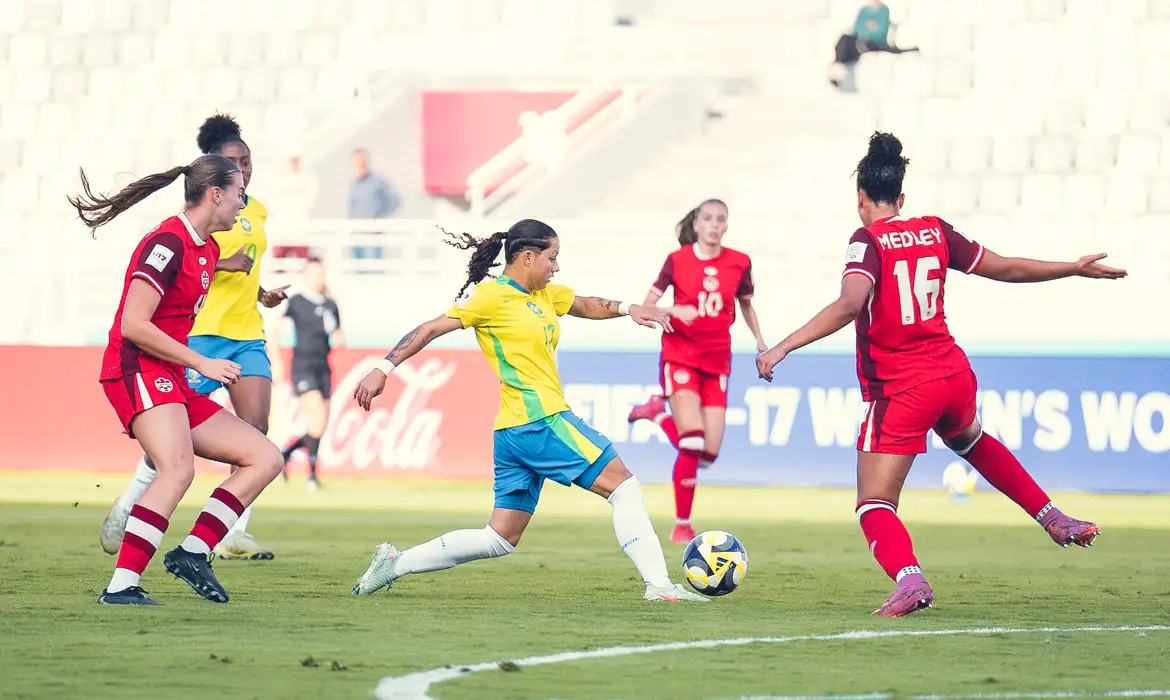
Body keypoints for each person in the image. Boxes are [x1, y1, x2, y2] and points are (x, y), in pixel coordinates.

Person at [755, 132, 1126, 617]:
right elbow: (1007, 268)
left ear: (861, 198)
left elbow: (851, 304)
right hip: (953, 374)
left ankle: (911, 581)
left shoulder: (866, 241)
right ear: (902, 198)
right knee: (971, 441)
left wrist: (781, 347)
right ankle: (1054, 518)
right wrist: (1071, 268)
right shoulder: (934, 230)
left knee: (874, 504)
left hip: (903, 387)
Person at [349, 219, 707, 602]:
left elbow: (584, 304)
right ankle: (660, 587)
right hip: (541, 420)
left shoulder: (544, 294)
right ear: (526, 256)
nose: (556, 267)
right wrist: (383, 368)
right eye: (552, 258)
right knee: (624, 487)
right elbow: (430, 329)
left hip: (514, 430)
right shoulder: (490, 298)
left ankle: (394, 563)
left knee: (499, 537)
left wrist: (628, 307)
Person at [69, 154, 285, 605]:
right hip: (136, 368)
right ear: (216, 193)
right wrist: (201, 362)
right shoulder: (166, 241)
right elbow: (133, 323)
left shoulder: (207, 248)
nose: (243, 205)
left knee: (264, 457)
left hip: (170, 375)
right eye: (239, 194)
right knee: (178, 468)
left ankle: (193, 552)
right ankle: (121, 586)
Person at [627, 200, 766, 544]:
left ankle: (657, 413)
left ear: (726, 226)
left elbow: (746, 304)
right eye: (708, 219)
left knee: (708, 452)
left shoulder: (739, 262)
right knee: (691, 440)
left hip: (717, 361)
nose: (715, 225)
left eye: (721, 220)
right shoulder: (677, 261)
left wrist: (761, 341)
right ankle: (682, 525)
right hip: (680, 356)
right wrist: (674, 309)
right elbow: (645, 308)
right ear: (697, 224)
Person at [271, 257, 344, 490]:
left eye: (320, 273)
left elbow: (340, 336)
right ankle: (311, 476)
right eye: (313, 274)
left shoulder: (330, 305)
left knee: (320, 425)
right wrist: (277, 360)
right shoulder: (297, 302)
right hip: (303, 365)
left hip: (323, 366)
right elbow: (273, 332)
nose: (317, 278)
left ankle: (287, 454)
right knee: (317, 418)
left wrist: (337, 334)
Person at [829, 0, 919, 90]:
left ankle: (838, 65)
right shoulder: (863, 10)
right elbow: (856, 29)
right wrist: (868, 28)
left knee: (852, 44)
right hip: (859, 41)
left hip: (875, 43)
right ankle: (838, 66)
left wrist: (867, 28)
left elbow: (880, 32)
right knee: (845, 39)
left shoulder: (884, 10)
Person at [346, 148, 399, 260]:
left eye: (362, 161)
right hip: (356, 232)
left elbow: (393, 200)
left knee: (373, 267)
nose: (359, 164)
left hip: (372, 232)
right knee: (355, 267)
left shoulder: (377, 181)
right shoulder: (354, 183)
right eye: (357, 161)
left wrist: (380, 218)